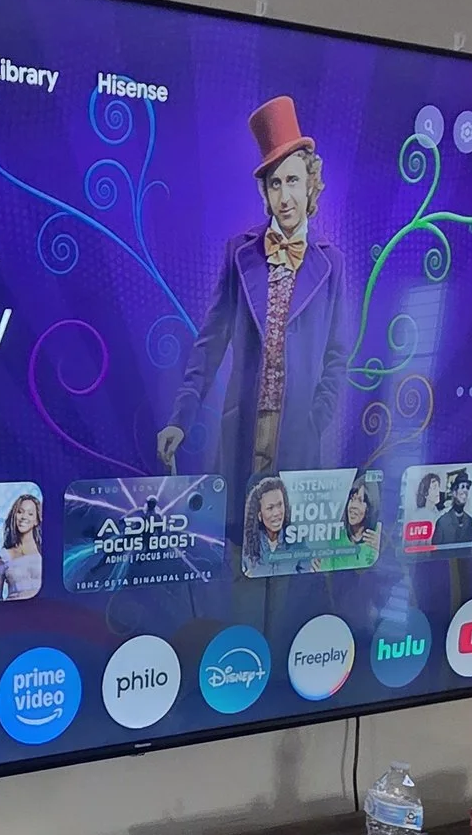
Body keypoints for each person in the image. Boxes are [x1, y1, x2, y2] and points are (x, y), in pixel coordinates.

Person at [158, 97, 348, 481]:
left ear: (310, 184)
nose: (284, 197)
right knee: (236, 520)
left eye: (292, 181)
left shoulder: (332, 264)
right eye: (275, 184)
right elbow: (210, 343)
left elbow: (338, 355)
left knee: (286, 520)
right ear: (265, 192)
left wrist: (315, 420)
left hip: (298, 439)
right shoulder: (240, 254)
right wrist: (180, 419)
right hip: (242, 434)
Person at [0, 493, 43, 600]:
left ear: (36, 520)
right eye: (20, 512)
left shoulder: (44, 551)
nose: (24, 517)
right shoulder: (4, 556)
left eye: (30, 514)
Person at [242, 476, 292, 572]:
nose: (277, 513)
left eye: (280, 505)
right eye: (270, 508)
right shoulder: (248, 548)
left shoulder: (298, 543)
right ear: (259, 515)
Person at [431, 471, 472, 548]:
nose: (465, 490)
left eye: (467, 487)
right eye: (462, 487)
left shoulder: (469, 521)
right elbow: (435, 551)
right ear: (454, 493)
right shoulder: (442, 522)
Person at [342, 475, 379, 551]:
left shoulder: (378, 538)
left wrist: (379, 549)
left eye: (360, 500)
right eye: (352, 499)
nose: (353, 506)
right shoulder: (337, 534)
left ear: (370, 507)